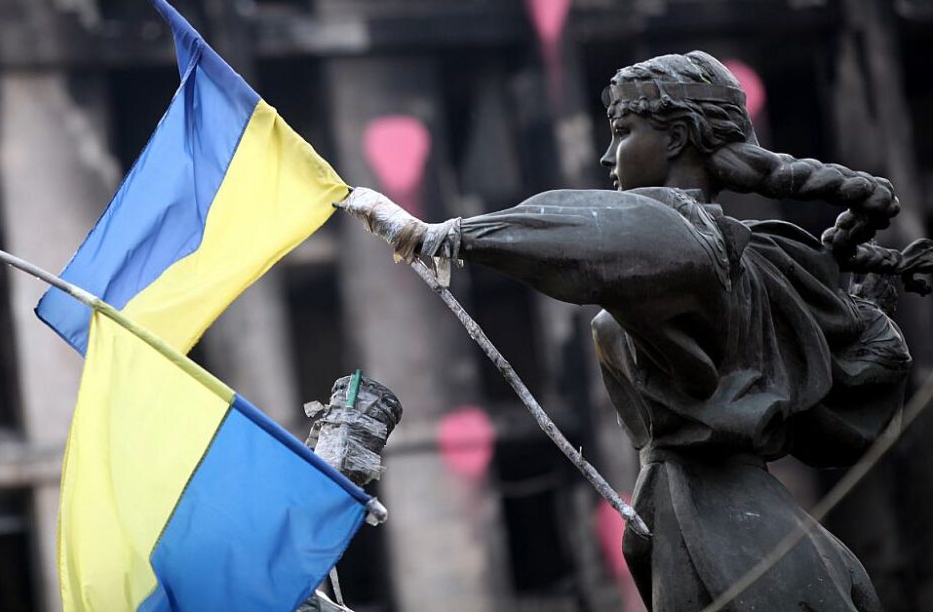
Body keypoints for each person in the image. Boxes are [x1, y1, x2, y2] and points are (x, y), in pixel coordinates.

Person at [339, 51, 932, 611]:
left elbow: (614, 232)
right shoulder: (747, 258)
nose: (608, 157)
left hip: (724, 532)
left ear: (675, 137)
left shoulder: (696, 244)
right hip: (738, 525)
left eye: (623, 132)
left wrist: (447, 235)